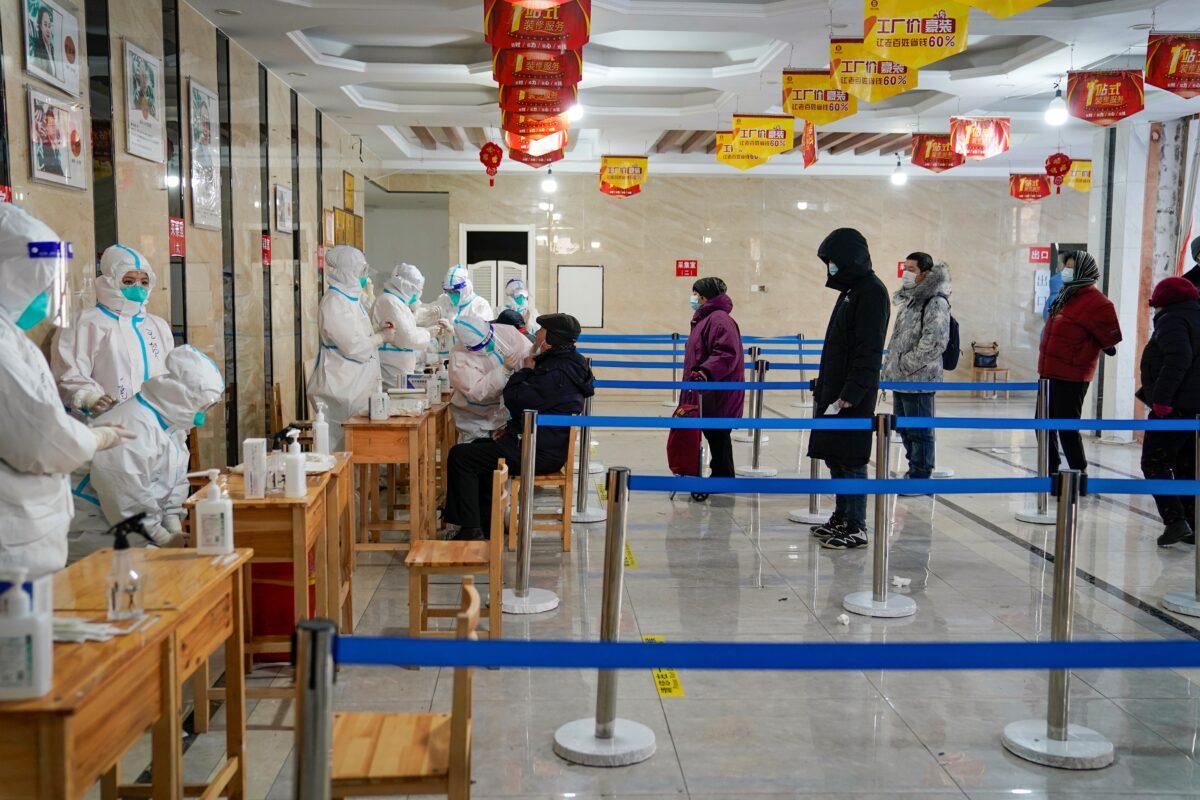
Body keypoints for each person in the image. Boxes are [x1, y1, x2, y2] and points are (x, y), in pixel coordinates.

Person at [0, 204, 133, 578]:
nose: (43, 298)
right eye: (36, 282)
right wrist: (94, 434)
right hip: (13, 537)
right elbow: (42, 438)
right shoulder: (81, 324)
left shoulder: (11, 337)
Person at [443, 313, 594, 541]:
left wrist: (523, 370)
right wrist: (511, 429)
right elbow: (536, 406)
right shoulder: (571, 362)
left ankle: (470, 527)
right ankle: (484, 523)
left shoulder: (552, 372)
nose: (536, 334)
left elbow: (515, 399)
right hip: (542, 442)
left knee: (461, 456)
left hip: (537, 451)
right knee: (478, 450)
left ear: (549, 339)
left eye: (541, 331)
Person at [68, 345, 224, 560]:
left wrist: (173, 526)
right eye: (206, 406)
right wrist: (163, 539)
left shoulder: (172, 425)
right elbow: (126, 501)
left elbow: (176, 481)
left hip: (134, 529)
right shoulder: (129, 427)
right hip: (94, 530)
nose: (205, 414)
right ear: (183, 397)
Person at [808, 228, 890, 550]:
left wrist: (851, 392)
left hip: (850, 397)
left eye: (833, 260)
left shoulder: (871, 291)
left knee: (852, 459)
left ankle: (856, 526)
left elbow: (868, 350)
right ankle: (842, 517)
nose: (830, 266)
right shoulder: (851, 291)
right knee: (836, 457)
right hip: (836, 392)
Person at [52, 244, 174, 415]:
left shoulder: (158, 326)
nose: (138, 287)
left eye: (144, 282)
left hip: (156, 429)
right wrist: (89, 398)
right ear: (109, 281)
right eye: (128, 281)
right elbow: (69, 374)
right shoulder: (86, 323)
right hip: (106, 426)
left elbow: (169, 377)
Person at [1038, 250, 1122, 474]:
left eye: (1072, 267)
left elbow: (1110, 345)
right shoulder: (1066, 296)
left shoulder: (1099, 304)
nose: (1067, 271)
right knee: (1042, 425)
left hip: (1072, 375)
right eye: (1066, 266)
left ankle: (1079, 472)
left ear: (1085, 271)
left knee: (1067, 428)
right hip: (1049, 372)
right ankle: (1051, 471)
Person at [1138, 277, 1200, 547]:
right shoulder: (1195, 317)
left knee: (1154, 462)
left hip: (1174, 409)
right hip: (1194, 408)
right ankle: (1192, 526)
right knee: (1188, 467)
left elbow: (1178, 359)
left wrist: (1162, 401)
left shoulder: (1173, 320)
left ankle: (1175, 521)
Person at [307, 245, 386, 450]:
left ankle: (355, 484)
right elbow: (354, 346)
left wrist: (377, 331)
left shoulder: (350, 299)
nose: (363, 277)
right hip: (340, 388)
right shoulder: (334, 302)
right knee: (338, 450)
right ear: (347, 272)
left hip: (355, 387)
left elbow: (359, 334)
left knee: (355, 450)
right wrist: (381, 337)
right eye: (360, 272)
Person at [881, 253, 951, 482]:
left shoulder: (936, 301)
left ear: (926, 273)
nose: (906, 273)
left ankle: (921, 474)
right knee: (904, 428)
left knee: (920, 431)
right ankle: (914, 468)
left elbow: (935, 342)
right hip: (901, 378)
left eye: (911, 269)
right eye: (905, 268)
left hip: (919, 379)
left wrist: (905, 364)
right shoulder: (911, 299)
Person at [682, 277, 744, 490]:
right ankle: (721, 475)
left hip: (717, 391)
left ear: (705, 296)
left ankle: (723, 478)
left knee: (718, 434)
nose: (693, 298)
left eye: (696, 294)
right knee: (714, 433)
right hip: (708, 390)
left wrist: (705, 372)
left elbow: (726, 353)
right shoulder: (707, 319)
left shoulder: (718, 319)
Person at [447, 313, 532, 442]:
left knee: (498, 454)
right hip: (474, 418)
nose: (489, 345)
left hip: (503, 414)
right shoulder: (459, 359)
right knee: (471, 454)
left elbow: (526, 351)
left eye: (489, 339)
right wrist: (505, 370)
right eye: (481, 345)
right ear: (469, 347)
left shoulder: (505, 331)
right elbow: (477, 391)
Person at [371, 262, 433, 389]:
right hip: (391, 373)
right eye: (416, 290)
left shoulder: (397, 302)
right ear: (406, 286)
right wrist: (428, 333)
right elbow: (407, 338)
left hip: (398, 371)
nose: (418, 294)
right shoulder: (389, 301)